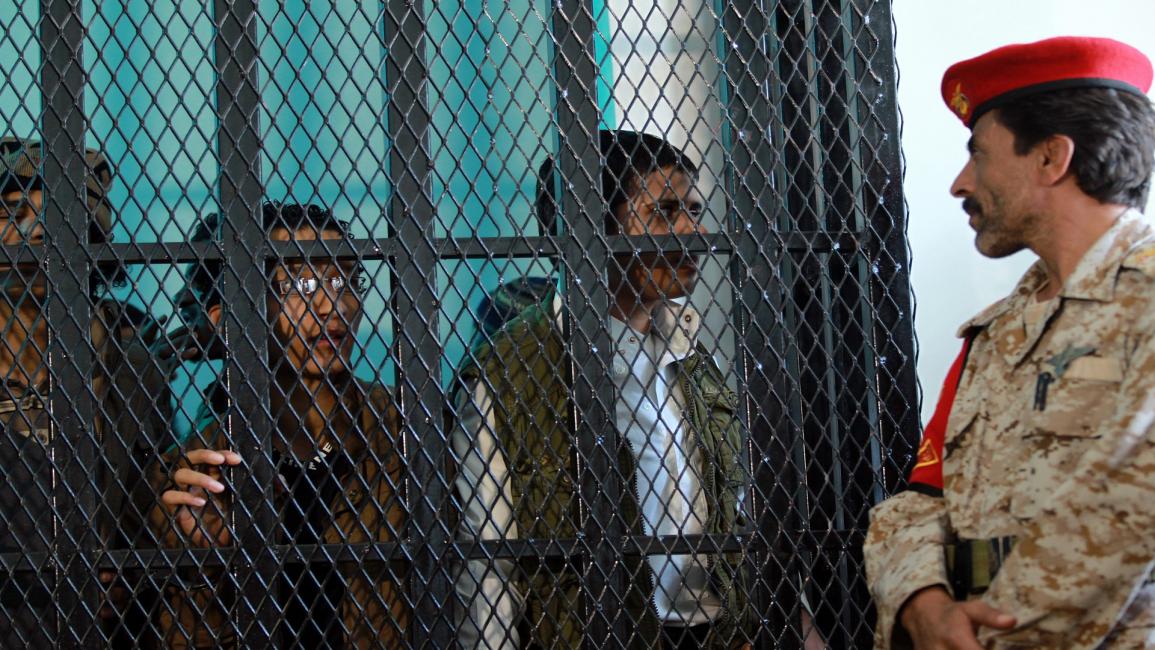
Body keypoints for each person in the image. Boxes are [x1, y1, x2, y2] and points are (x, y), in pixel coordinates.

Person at [864, 36, 1155, 649]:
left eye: (979, 154)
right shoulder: (997, 332)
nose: (960, 183)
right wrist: (925, 604)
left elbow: (1129, 513)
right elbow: (921, 500)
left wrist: (984, 636)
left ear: (1050, 158)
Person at [452, 130, 759, 649]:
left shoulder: (692, 355)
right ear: (591, 228)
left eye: (693, 209)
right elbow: (488, 571)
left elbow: (736, 510)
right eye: (665, 212)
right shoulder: (504, 375)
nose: (695, 231)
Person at [148, 202, 408, 648]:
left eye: (344, 280)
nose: (331, 304)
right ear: (228, 320)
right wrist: (202, 562)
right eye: (299, 284)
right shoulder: (195, 470)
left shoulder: (404, 427)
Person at [0, 137, 171, 645]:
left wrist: (128, 571)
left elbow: (149, 504)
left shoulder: (132, 367)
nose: (32, 231)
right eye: (11, 212)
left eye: (53, 218)